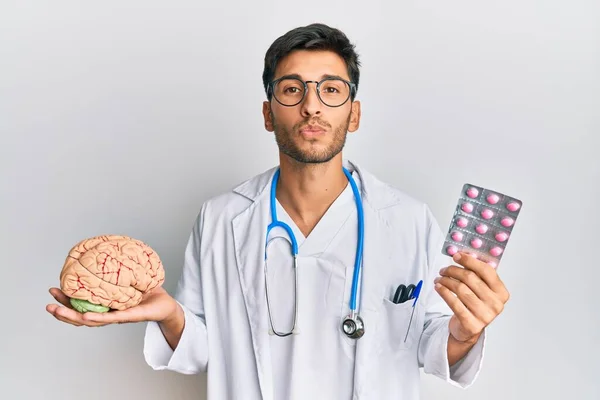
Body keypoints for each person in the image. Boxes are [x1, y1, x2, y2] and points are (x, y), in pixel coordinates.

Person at [47, 23, 510, 399]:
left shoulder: (407, 219)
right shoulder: (221, 219)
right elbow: (201, 351)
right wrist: (169, 315)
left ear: (354, 113)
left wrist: (465, 332)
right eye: (292, 89)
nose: (311, 106)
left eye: (331, 90)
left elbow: (433, 345)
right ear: (268, 112)